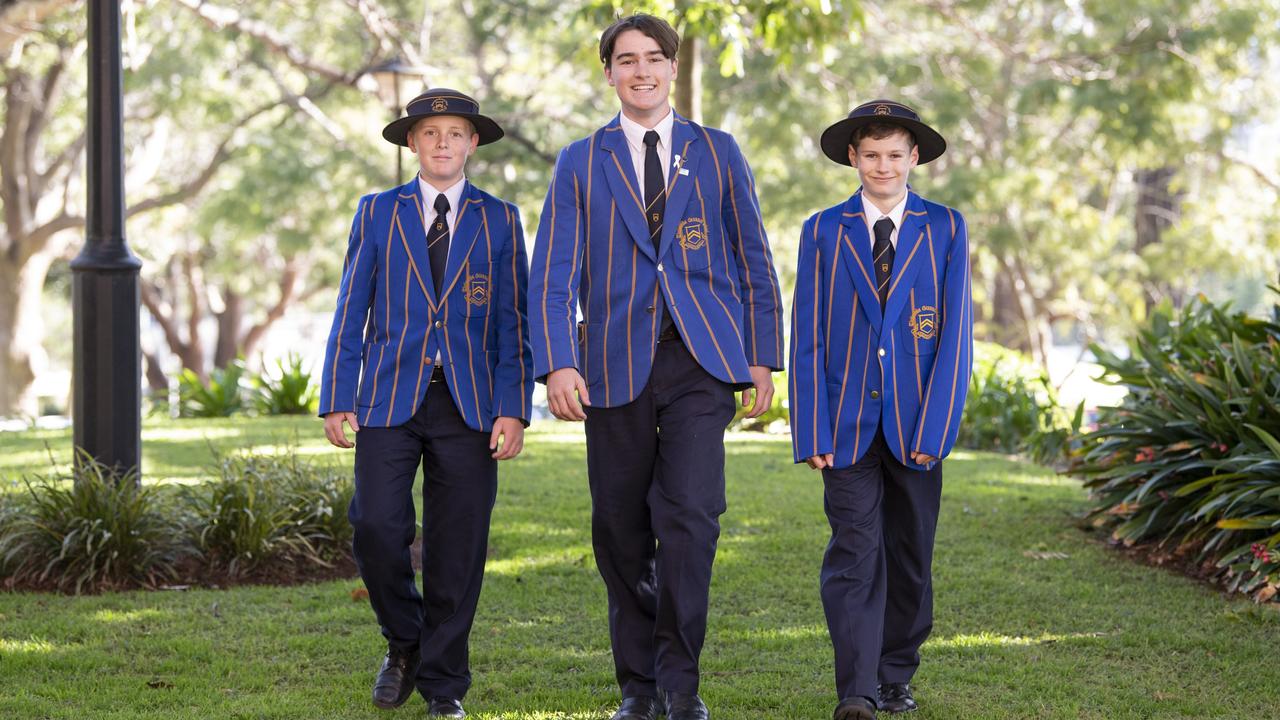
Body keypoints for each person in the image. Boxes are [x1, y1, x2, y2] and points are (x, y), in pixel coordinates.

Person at [527, 14, 783, 720]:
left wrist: (762, 356)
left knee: (693, 520)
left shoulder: (719, 151)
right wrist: (557, 363)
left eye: (653, 59)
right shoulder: (581, 160)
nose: (641, 71)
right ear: (608, 73)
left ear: (672, 68)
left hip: (701, 361)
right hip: (610, 365)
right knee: (617, 528)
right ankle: (635, 685)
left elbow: (754, 258)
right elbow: (552, 273)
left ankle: (677, 686)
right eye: (626, 60)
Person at [318, 87, 533, 719]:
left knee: (458, 546)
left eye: (455, 132)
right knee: (376, 527)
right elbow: (350, 307)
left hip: (470, 405)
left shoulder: (499, 219)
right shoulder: (377, 212)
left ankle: (443, 686)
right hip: (388, 398)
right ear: (411, 142)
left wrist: (512, 407)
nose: (443, 142)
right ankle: (404, 641)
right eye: (430, 132)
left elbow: (511, 322)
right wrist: (337, 395)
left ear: (473, 143)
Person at [788, 100, 973, 720]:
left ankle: (897, 671)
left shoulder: (945, 228)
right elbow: (807, 333)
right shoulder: (822, 230)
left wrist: (938, 426)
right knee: (853, 554)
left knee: (910, 556)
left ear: (915, 157)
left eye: (895, 155)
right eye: (871, 155)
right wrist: (810, 426)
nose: (883, 166)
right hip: (844, 426)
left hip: (917, 423)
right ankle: (859, 688)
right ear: (852, 157)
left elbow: (955, 336)